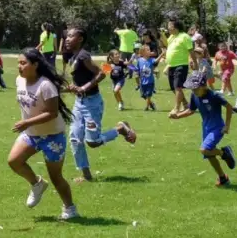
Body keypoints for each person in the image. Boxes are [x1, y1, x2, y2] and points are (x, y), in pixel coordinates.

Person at [9, 48, 78, 221]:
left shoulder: (46, 85)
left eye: (23, 63)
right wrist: (28, 125)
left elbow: (52, 112)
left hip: (53, 136)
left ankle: (70, 209)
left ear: (35, 65)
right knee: (14, 161)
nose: (19, 66)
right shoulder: (19, 80)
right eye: (19, 62)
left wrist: (27, 122)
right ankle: (37, 184)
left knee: (56, 177)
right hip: (32, 134)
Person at [62, 27, 136, 182]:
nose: (67, 38)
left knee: (93, 142)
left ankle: (121, 128)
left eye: (71, 36)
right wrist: (70, 88)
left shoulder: (83, 56)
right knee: (75, 138)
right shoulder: (72, 56)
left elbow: (101, 74)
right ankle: (86, 176)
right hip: (79, 103)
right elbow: (77, 79)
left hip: (92, 103)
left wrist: (83, 88)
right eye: (66, 36)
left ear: (80, 39)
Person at [169, 70, 236, 187]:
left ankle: (224, 153)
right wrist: (177, 116)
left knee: (204, 149)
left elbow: (229, 107)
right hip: (206, 128)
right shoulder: (194, 95)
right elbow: (191, 110)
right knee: (209, 154)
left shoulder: (214, 96)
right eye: (192, 89)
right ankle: (223, 178)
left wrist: (227, 125)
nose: (193, 91)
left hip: (217, 128)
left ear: (204, 86)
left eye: (196, 88)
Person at [162, 19, 196, 115]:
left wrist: (194, 62)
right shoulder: (172, 36)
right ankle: (185, 103)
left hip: (181, 65)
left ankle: (176, 108)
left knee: (177, 87)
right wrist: (161, 35)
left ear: (176, 27)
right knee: (174, 88)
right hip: (171, 65)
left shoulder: (185, 37)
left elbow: (191, 50)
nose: (168, 27)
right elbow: (166, 44)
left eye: (170, 25)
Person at [130, 44, 158, 111]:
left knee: (148, 94)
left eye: (149, 50)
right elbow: (137, 69)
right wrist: (130, 66)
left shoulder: (152, 59)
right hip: (142, 82)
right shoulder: (140, 60)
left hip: (150, 81)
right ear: (143, 52)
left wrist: (162, 54)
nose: (150, 51)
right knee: (143, 95)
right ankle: (151, 104)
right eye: (148, 50)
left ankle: (147, 107)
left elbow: (156, 61)